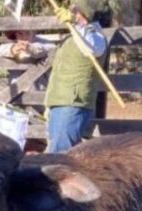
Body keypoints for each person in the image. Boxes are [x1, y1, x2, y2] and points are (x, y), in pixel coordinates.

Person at [43, 0, 108, 153]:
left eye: (75, 11)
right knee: (58, 151)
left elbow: (91, 48)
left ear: (84, 14)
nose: (71, 13)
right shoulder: (73, 36)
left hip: (73, 103)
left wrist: (76, 23)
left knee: (60, 154)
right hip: (60, 102)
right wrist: (49, 104)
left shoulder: (96, 36)